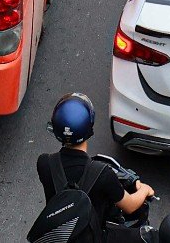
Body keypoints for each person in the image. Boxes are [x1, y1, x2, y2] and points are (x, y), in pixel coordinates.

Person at [36, 93, 153, 243]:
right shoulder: (103, 174)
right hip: (94, 237)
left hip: (60, 236)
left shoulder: (44, 163)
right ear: (89, 129)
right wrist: (144, 189)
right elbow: (130, 206)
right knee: (146, 237)